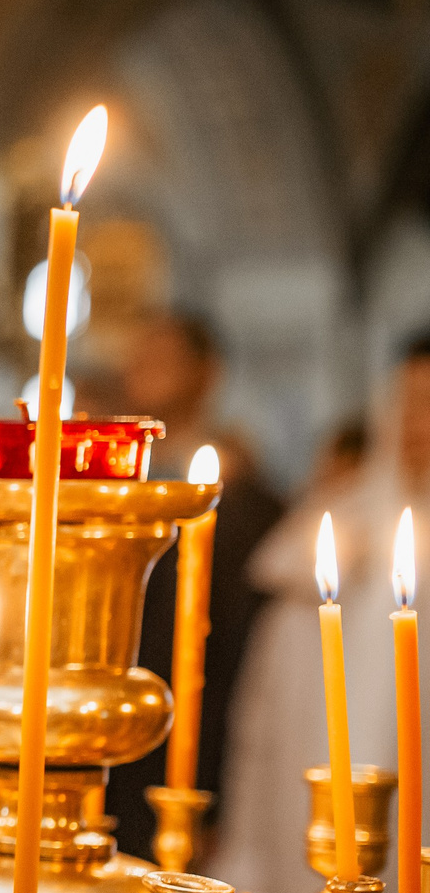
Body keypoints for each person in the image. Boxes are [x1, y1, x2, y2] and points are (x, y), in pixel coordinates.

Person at [213, 335, 430, 893]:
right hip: (313, 800)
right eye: (411, 402)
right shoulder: (338, 526)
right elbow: (265, 707)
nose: (419, 425)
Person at [103, 312, 283, 859]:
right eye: (139, 361)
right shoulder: (107, 492)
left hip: (191, 743)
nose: (145, 374)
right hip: (111, 736)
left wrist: (219, 794)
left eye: (164, 361)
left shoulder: (244, 501)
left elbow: (239, 653)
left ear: (207, 374)